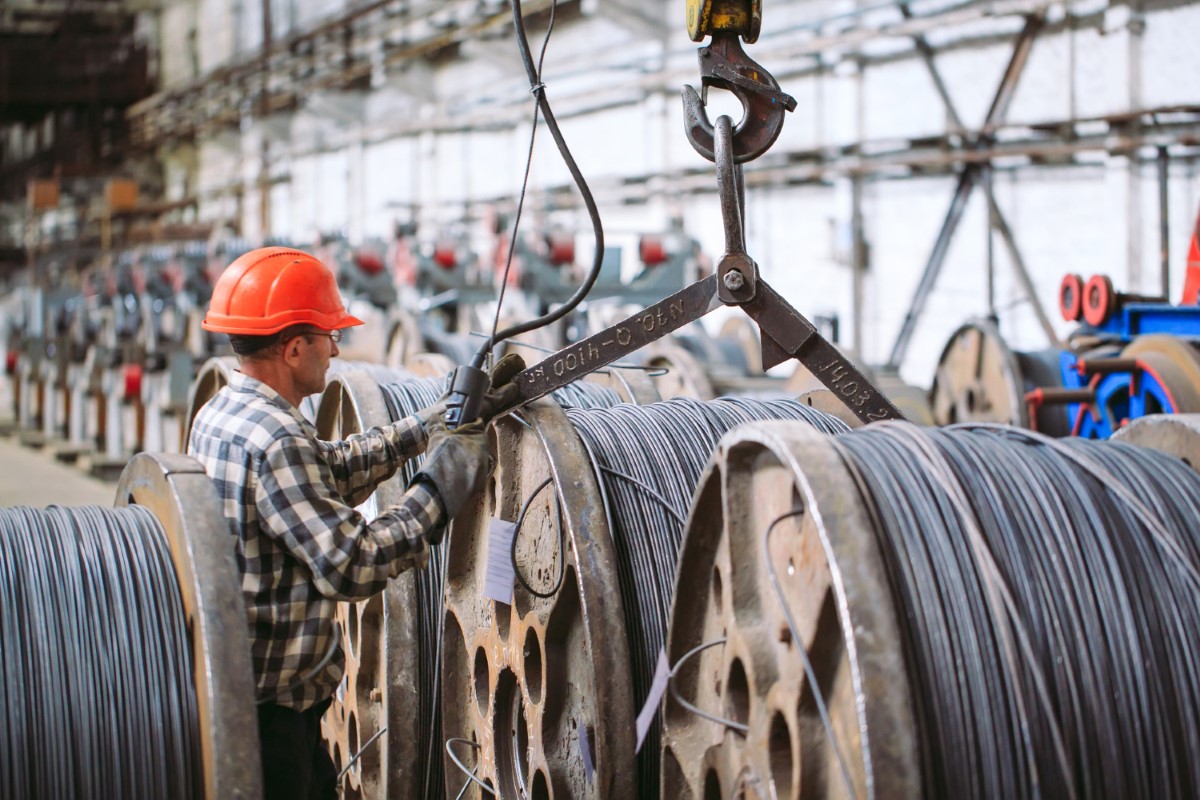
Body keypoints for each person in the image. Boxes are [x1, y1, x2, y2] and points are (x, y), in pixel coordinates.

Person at [187, 246, 522, 800]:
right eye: (328, 336)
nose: (337, 349)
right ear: (295, 349)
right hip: (273, 724)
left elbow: (325, 471)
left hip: (242, 696)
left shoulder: (223, 413)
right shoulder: (277, 440)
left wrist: (436, 422)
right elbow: (353, 564)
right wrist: (439, 486)